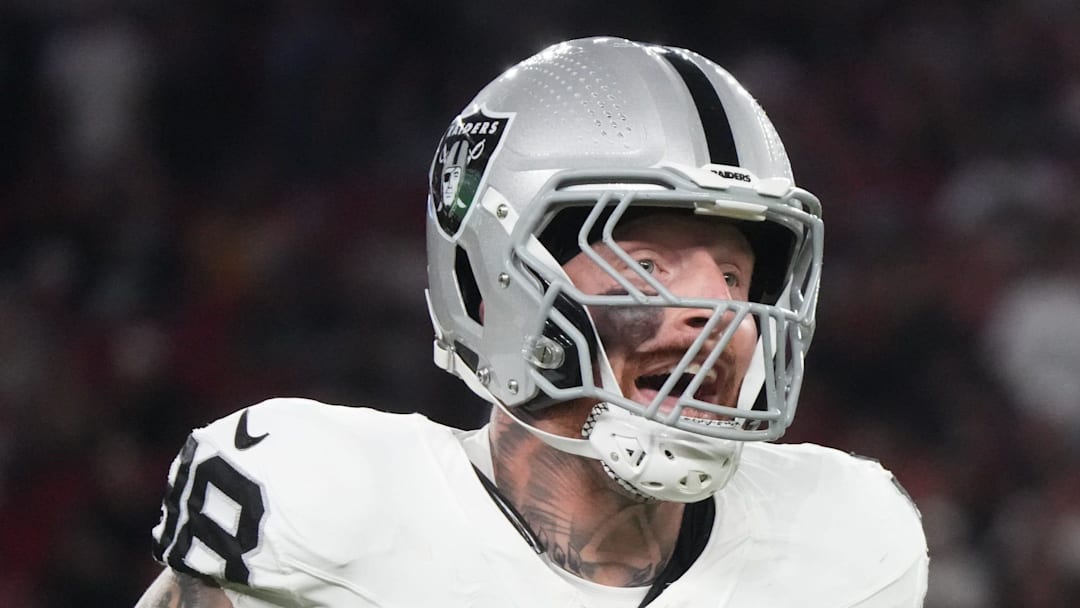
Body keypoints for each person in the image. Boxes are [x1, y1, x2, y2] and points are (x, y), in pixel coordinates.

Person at [136, 36, 928, 607]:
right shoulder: (323, 499)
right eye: (645, 266)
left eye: (733, 274)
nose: (714, 312)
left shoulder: (848, 543)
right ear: (492, 284)